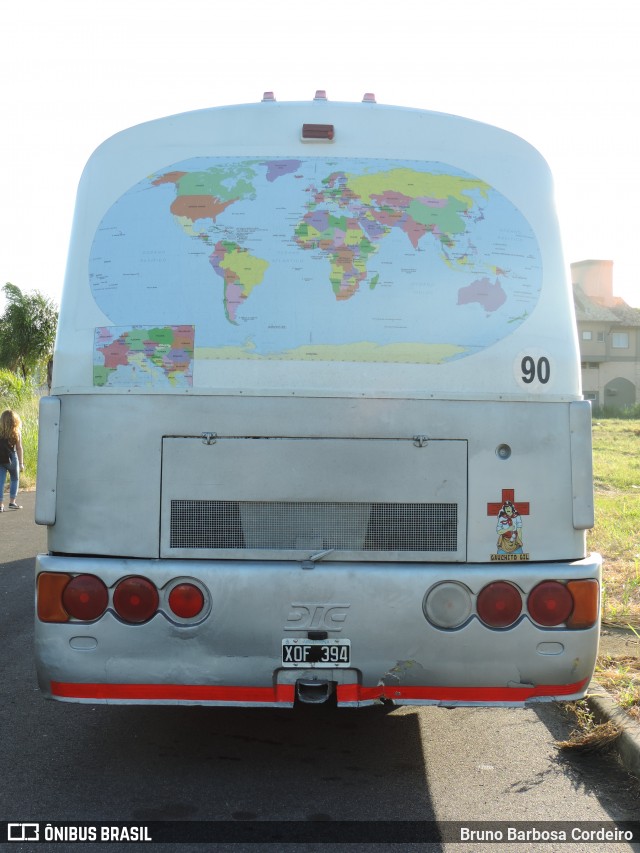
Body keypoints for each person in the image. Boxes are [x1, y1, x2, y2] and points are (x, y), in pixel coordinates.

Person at [0, 409, 25, 511]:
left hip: (1, 459)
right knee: (14, 478)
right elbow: (19, 448)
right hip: (12, 457)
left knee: (1, 481)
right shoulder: (16, 432)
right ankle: (12, 502)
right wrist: (21, 463)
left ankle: (0, 504)